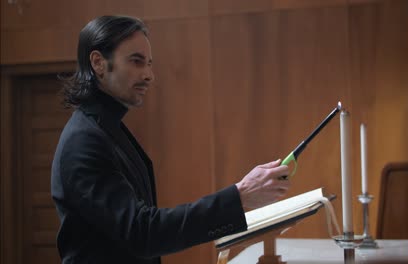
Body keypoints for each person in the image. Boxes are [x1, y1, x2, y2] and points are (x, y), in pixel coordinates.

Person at [51, 15, 291, 264]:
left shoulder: (107, 130)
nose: (148, 75)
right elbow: (142, 233)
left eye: (149, 64)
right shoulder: (83, 141)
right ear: (99, 63)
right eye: (136, 61)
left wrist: (238, 199)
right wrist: (239, 196)